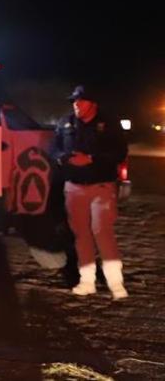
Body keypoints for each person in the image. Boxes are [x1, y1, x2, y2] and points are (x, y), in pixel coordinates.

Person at [52, 85, 129, 299]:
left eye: (81, 100)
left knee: (101, 232)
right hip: (73, 187)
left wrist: (91, 159)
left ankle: (116, 283)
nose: (76, 104)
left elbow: (120, 152)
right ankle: (87, 282)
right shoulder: (65, 122)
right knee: (81, 236)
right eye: (74, 101)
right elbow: (54, 147)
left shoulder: (109, 123)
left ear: (92, 103)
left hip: (101, 186)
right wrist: (62, 157)